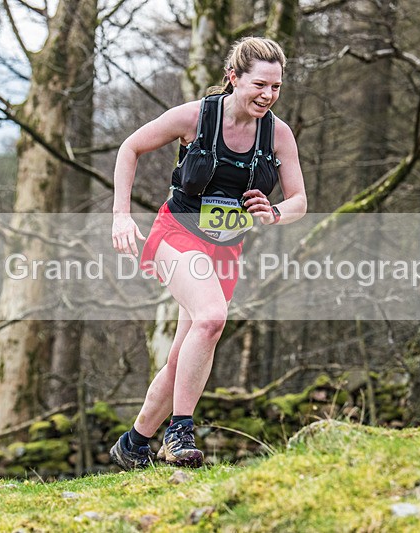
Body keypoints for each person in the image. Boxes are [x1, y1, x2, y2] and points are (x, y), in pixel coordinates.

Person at [109, 36, 307, 470]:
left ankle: (134, 443)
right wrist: (121, 215)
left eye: (276, 87)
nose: (267, 96)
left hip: (225, 251)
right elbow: (130, 148)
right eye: (259, 84)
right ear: (234, 77)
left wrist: (273, 213)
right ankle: (180, 433)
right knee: (213, 318)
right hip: (175, 234)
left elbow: (299, 202)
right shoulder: (197, 117)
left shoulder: (278, 134)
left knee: (184, 353)